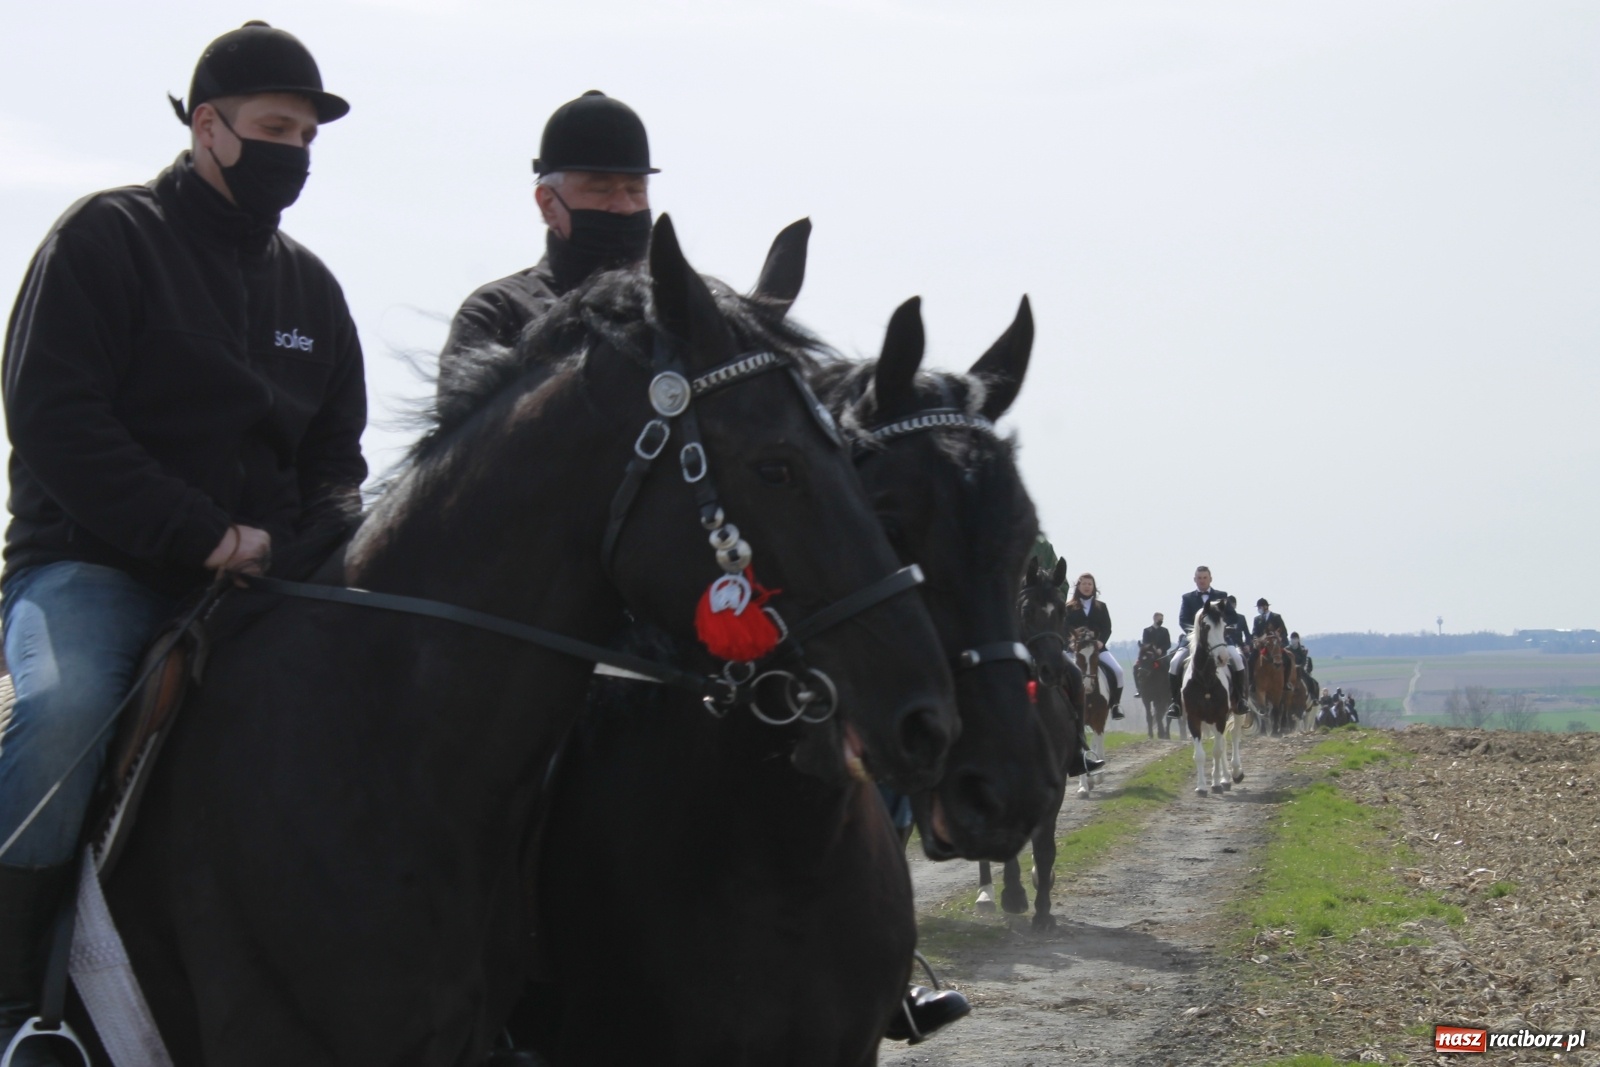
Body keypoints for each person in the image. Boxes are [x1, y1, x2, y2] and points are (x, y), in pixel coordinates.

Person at [0, 23, 366, 1061]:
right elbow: (57, 418)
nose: (293, 151)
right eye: (273, 128)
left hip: (265, 588)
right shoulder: (103, 238)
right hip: (94, 567)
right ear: (209, 127)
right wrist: (202, 532)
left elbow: (337, 467)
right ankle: (16, 1007)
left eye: (305, 134)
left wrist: (297, 549)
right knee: (65, 709)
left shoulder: (316, 293)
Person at [438, 90, 656, 386]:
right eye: (600, 189)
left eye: (635, 190)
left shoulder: (683, 309)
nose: (623, 206)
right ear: (548, 204)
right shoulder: (498, 312)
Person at [1166, 566, 1245, 719]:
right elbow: (1183, 620)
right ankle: (1175, 703)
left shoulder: (1221, 596)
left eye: (1204, 578)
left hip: (1219, 640)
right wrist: (1196, 635)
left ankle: (1241, 699)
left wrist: (1222, 627)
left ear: (1210, 579)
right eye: (1199, 578)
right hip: (1194, 640)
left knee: (1237, 659)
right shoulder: (1187, 598)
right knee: (1175, 662)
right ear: (1195, 580)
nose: (1202, 581)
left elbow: (1233, 617)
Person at [1064, 573, 1124, 719]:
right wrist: (1070, 643)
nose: (1087, 587)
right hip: (1074, 649)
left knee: (1118, 671)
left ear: (1093, 587)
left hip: (1096, 648)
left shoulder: (1101, 607)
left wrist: (1101, 641)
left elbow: (1107, 627)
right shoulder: (1069, 607)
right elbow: (1063, 628)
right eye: (1084, 584)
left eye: (1090, 584)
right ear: (1078, 586)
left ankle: (1116, 704)